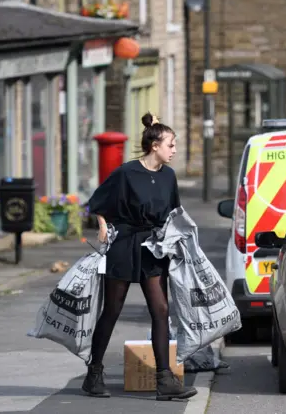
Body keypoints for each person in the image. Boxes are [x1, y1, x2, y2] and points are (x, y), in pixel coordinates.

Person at [82, 112, 197, 401]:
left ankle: (165, 380)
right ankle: (93, 374)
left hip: (154, 247)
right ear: (155, 145)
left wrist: (178, 241)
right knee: (113, 309)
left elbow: (174, 214)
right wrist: (102, 225)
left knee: (160, 310)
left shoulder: (169, 176)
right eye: (171, 144)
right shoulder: (126, 173)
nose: (174, 150)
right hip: (125, 245)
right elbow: (97, 202)